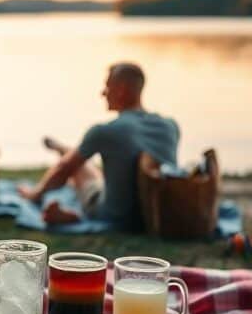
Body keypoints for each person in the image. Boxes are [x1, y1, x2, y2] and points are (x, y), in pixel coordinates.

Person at [18, 62, 180, 231]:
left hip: (115, 216)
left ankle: (63, 151)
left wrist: (34, 195)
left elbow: (63, 170)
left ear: (121, 89)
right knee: (93, 172)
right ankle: (62, 148)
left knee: (79, 168)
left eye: (107, 87)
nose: (103, 93)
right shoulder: (170, 126)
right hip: (155, 215)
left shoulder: (105, 131)